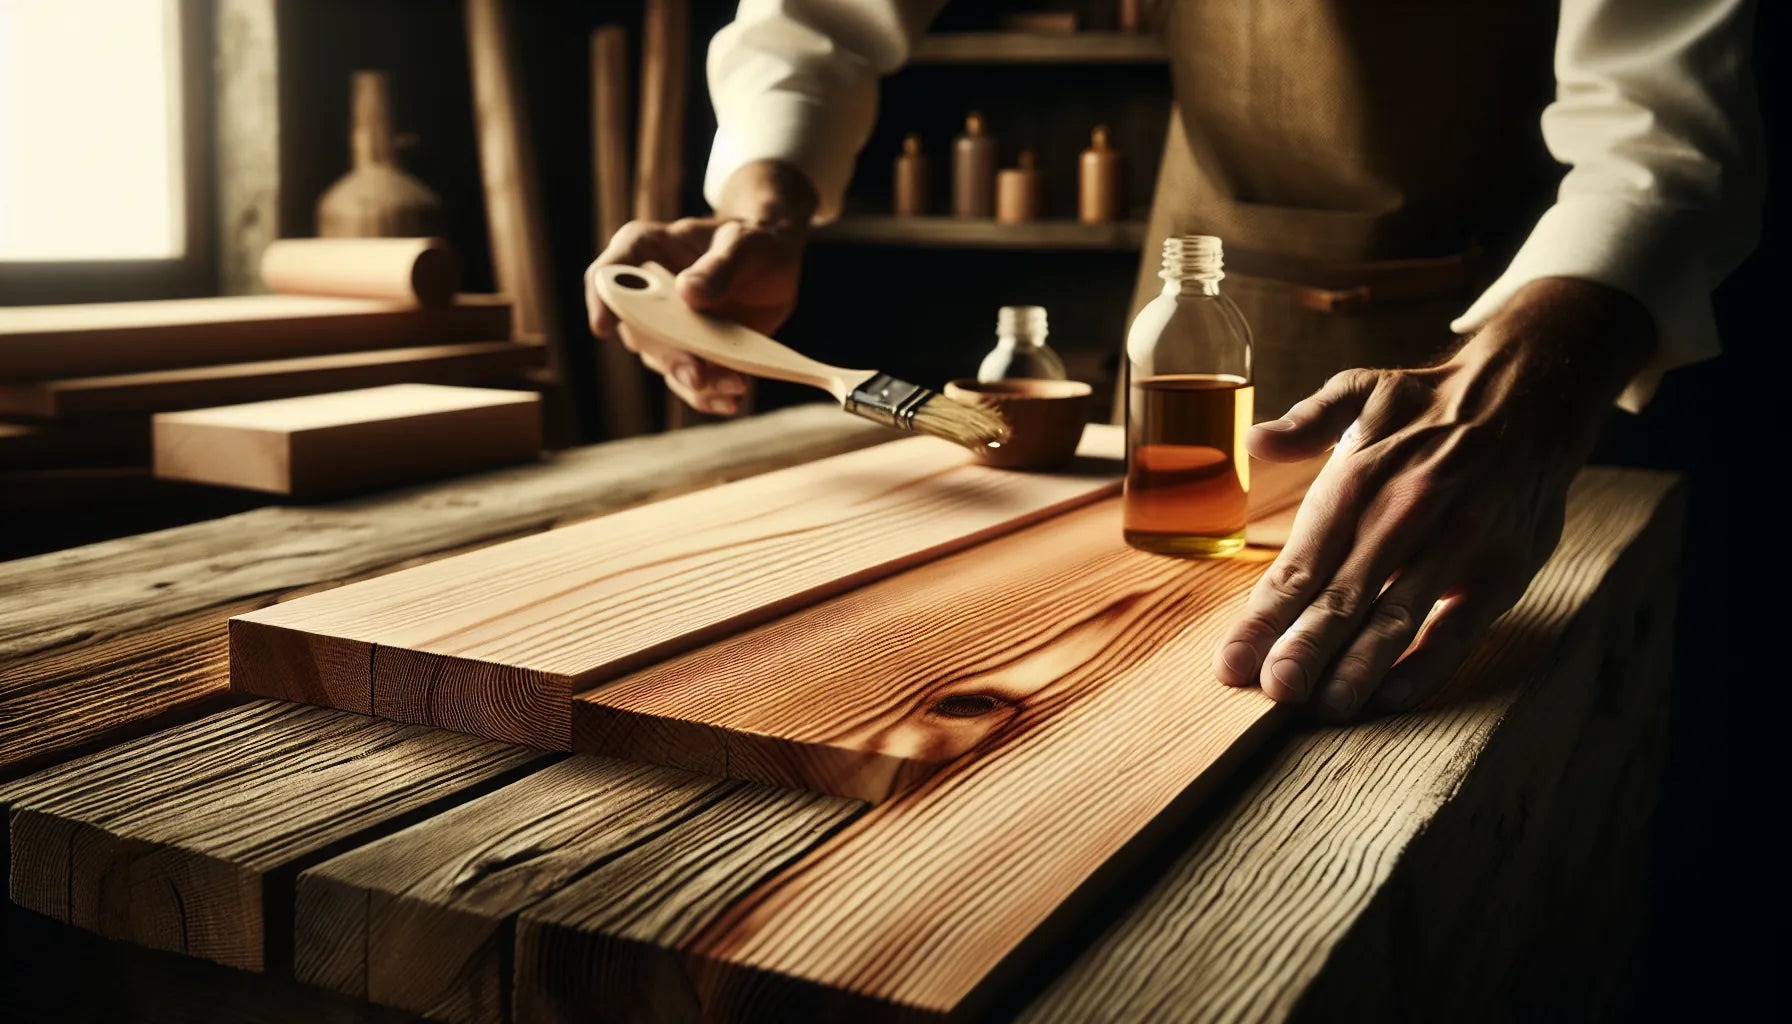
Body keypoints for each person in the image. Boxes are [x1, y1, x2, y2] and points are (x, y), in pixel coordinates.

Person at [586, 0, 1761, 721]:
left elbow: (1661, 131)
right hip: (1221, 259)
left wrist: (1528, 386)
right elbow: (818, 18)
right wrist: (770, 201)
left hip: (1545, 315)